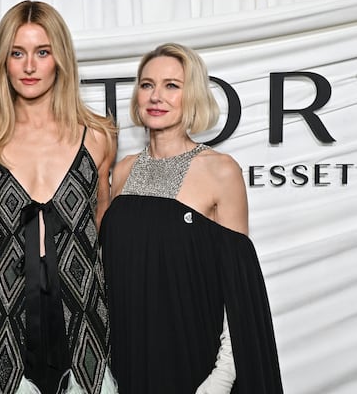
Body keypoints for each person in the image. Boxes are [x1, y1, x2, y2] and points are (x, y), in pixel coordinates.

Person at [100, 43, 283, 393]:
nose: (156, 96)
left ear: (193, 95)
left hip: (193, 362)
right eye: (147, 84)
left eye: (172, 85)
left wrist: (221, 378)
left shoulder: (220, 171)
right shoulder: (122, 171)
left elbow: (239, 292)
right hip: (126, 362)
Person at [0, 0, 119, 394]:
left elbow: (105, 238)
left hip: (85, 323)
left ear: (59, 58)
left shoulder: (97, 136)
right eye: (17, 53)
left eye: (42, 52)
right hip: (0, 325)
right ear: (3, 62)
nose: (29, 66)